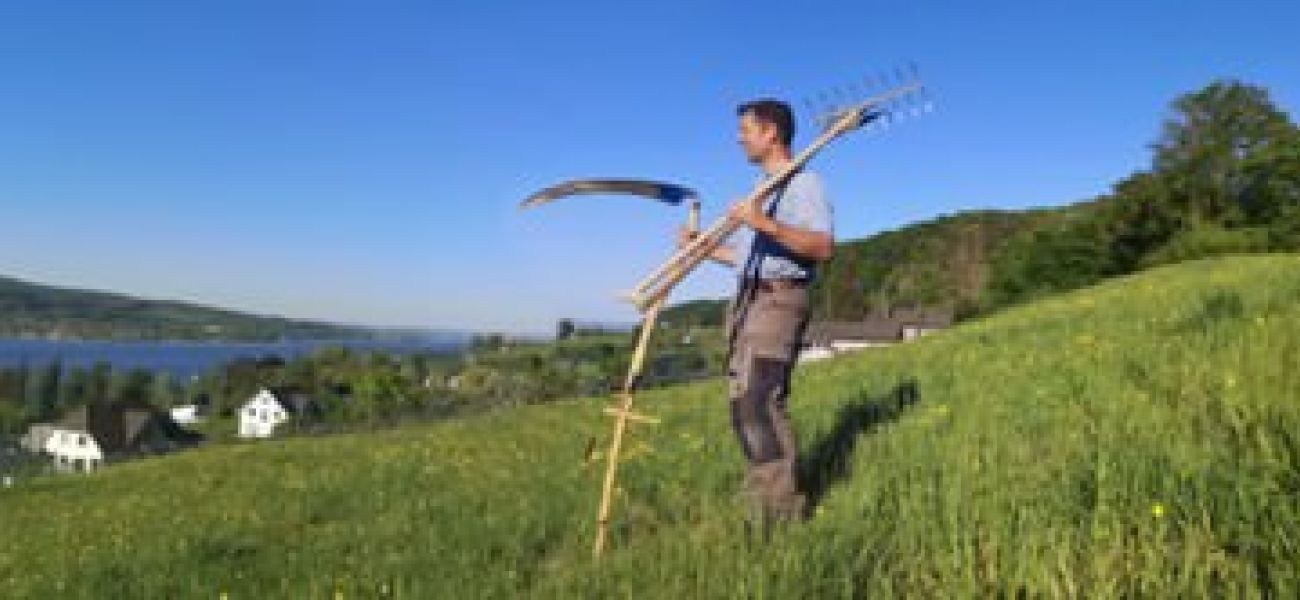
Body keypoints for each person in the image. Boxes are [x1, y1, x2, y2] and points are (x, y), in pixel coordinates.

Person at [680, 98, 834, 529]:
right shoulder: (763, 192)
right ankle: (762, 495)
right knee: (742, 404)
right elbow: (745, 258)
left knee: (760, 402)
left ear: (771, 133)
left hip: (779, 301)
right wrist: (702, 246)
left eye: (745, 129)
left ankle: (781, 511)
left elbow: (822, 247)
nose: (738, 138)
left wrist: (762, 224)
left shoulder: (804, 185)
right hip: (750, 300)